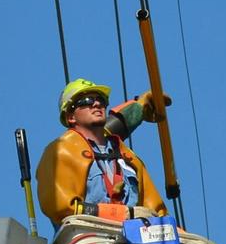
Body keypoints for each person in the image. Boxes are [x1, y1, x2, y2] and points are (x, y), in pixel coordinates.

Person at [34, 78, 169, 230]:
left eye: (101, 100)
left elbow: (158, 213)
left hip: (136, 239)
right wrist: (121, 214)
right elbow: (63, 208)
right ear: (71, 117)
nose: (97, 104)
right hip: (89, 238)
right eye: (87, 101)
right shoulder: (61, 151)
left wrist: (178, 235)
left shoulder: (127, 157)